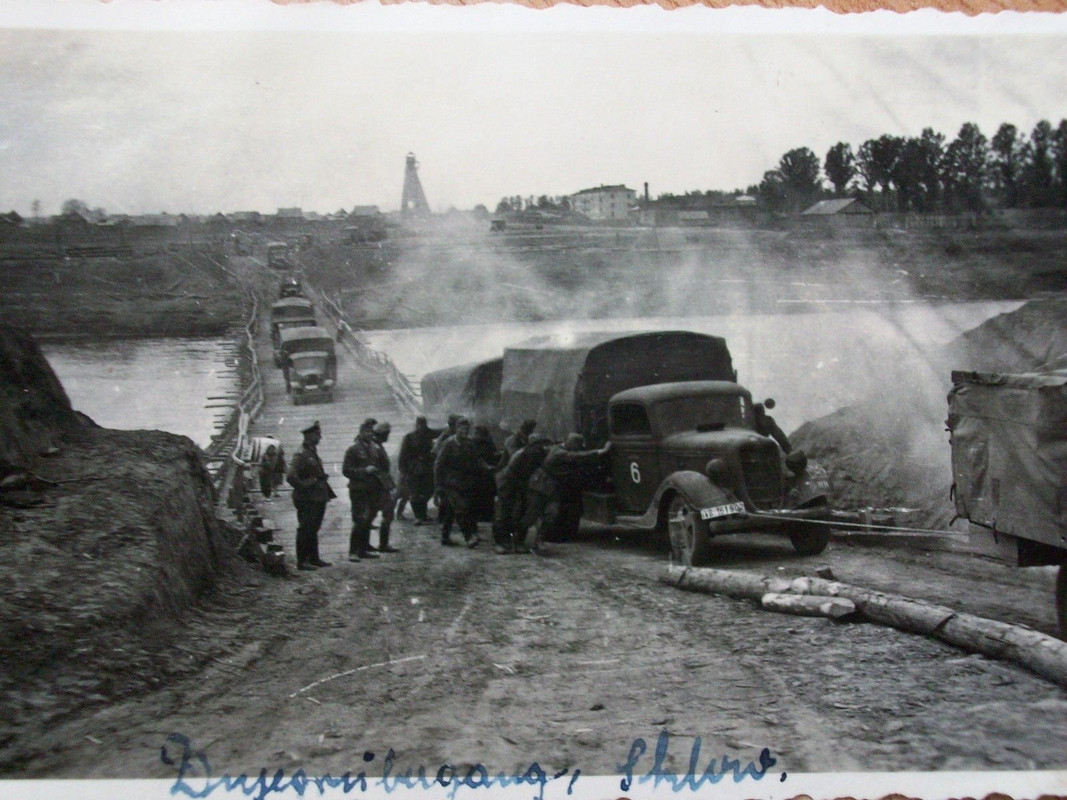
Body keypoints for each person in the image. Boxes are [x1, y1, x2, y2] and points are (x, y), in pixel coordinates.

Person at [525, 433, 612, 552]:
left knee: (551, 513)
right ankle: (520, 540)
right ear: (572, 444)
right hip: (541, 484)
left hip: (551, 486)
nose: (579, 448)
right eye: (578, 446)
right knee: (533, 514)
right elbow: (575, 456)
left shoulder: (559, 448)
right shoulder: (559, 452)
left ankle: (538, 541)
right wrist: (600, 451)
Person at [433, 417, 494, 548]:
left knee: (451, 510)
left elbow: (477, 459)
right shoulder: (448, 444)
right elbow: (438, 465)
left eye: (466, 429)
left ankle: (445, 537)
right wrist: (438, 485)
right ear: (456, 429)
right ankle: (468, 538)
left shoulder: (469, 444)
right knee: (460, 509)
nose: (464, 431)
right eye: (461, 428)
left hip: (465, 482)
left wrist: (487, 467)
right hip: (450, 482)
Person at [285, 421, 336, 571]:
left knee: (313, 528)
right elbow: (290, 476)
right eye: (317, 434)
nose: (320, 437)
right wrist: (309, 483)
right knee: (305, 528)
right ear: (309, 436)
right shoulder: (301, 454)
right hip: (306, 498)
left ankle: (314, 558)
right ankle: (302, 562)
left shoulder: (311, 451)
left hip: (317, 497)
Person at [493, 433, 551, 554]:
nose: (541, 447)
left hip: (521, 485)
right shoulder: (521, 455)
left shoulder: (535, 454)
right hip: (508, 483)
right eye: (538, 444)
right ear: (532, 445)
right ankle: (501, 542)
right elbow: (511, 473)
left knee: (522, 512)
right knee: (504, 513)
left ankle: (518, 541)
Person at [341, 418, 382, 562]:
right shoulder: (353, 449)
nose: (370, 434)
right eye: (367, 432)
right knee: (359, 519)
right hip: (358, 489)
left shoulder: (373, 448)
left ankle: (364, 549)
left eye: (371, 431)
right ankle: (353, 551)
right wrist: (364, 471)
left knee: (368, 519)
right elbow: (346, 470)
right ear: (361, 433)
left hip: (371, 488)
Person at [397, 415, 435, 525]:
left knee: (428, 491)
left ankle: (423, 514)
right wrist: (403, 470)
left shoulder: (428, 434)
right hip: (413, 468)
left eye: (424, 424)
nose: (422, 427)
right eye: (420, 424)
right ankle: (418, 516)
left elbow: (440, 433)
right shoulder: (409, 437)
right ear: (416, 425)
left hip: (427, 468)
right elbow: (403, 455)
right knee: (414, 493)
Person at [371, 421, 399, 553]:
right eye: (387, 434)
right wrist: (388, 485)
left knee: (376, 515)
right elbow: (379, 470)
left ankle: (378, 544)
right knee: (387, 514)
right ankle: (383, 544)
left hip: (380, 486)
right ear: (382, 434)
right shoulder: (376, 448)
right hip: (380, 487)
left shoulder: (377, 446)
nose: (388, 436)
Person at [471, 425, 500, 523]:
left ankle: (484, 515)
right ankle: (484, 515)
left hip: (483, 473)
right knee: (483, 494)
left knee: (484, 494)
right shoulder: (477, 443)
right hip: (480, 473)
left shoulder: (482, 443)